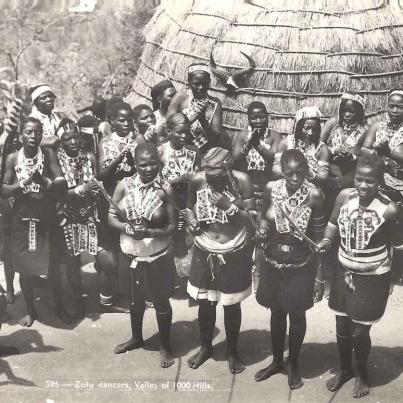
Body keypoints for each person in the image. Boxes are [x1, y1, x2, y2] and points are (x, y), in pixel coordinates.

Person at [318, 154, 402, 399]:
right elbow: (333, 223)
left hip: (373, 276)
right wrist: (326, 240)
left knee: (359, 331)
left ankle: (362, 374)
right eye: (359, 179)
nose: (364, 186)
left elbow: (398, 247)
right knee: (342, 325)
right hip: (344, 271)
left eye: (370, 182)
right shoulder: (344, 197)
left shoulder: (389, 208)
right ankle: (345, 370)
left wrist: (393, 279)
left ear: (381, 182)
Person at [254, 149, 326, 389]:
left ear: (306, 170)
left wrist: (319, 277)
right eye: (289, 174)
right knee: (276, 311)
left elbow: (318, 239)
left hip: (301, 264)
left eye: (299, 173)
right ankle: (276, 361)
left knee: (296, 314)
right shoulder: (271, 189)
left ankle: (293, 364)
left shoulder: (315, 194)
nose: (295, 178)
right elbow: (265, 216)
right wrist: (264, 229)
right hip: (273, 260)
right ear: (282, 172)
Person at [184, 147, 256, 374]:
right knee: (205, 303)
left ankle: (232, 351)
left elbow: (252, 221)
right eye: (209, 175)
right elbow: (187, 209)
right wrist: (192, 221)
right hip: (205, 245)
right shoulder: (198, 180)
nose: (212, 179)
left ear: (227, 169)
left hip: (233, 247)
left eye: (217, 175)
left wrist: (229, 207)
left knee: (231, 304)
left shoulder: (242, 181)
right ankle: (206, 346)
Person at [109, 143, 177, 368]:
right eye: (143, 164)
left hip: (157, 255)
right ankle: (137, 338)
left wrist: (150, 232)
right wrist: (127, 229)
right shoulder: (124, 186)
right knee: (133, 300)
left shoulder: (166, 189)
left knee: (160, 301)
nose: (148, 169)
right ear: (134, 164)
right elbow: (111, 217)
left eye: (153, 164)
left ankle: (166, 346)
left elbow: (173, 227)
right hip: (130, 253)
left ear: (159, 163)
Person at [1, 117, 69, 326]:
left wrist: (47, 182)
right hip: (22, 219)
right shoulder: (13, 158)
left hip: (46, 216)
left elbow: (61, 181)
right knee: (25, 268)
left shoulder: (48, 154)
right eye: (29, 132)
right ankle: (30, 310)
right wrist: (26, 182)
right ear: (21, 134)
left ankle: (59, 307)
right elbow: (3, 190)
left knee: (53, 265)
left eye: (38, 132)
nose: (33, 136)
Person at [97, 101, 144, 312]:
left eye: (129, 120)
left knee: (132, 251)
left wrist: (135, 156)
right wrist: (119, 156)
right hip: (110, 204)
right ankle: (106, 300)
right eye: (121, 120)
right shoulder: (105, 142)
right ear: (111, 121)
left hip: (133, 203)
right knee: (111, 255)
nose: (126, 124)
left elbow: (146, 170)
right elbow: (101, 175)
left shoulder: (138, 140)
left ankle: (131, 295)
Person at [55, 119, 100, 318]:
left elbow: (96, 183)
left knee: (99, 254)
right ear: (61, 142)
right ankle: (79, 301)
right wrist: (82, 189)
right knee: (72, 261)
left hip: (90, 212)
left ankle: (107, 295)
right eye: (67, 139)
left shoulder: (89, 156)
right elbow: (58, 193)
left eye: (75, 137)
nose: (73, 141)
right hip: (67, 215)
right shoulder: (56, 161)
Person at [158, 112, 201, 258]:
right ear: (169, 132)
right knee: (169, 243)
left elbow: (198, 178)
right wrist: (178, 180)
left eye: (187, 133)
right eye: (180, 132)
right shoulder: (160, 151)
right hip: (167, 205)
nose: (184, 136)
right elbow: (156, 181)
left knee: (186, 244)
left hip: (188, 202)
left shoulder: (194, 151)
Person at [167, 63, 226, 155]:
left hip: (205, 150)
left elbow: (216, 134)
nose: (201, 87)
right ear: (189, 82)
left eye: (204, 84)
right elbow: (168, 127)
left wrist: (202, 118)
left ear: (209, 83)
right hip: (179, 148)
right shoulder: (180, 98)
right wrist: (193, 117)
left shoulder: (214, 103)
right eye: (196, 84)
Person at [321, 93, 368, 205]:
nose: (347, 114)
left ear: (359, 112)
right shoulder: (332, 124)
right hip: (326, 175)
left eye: (352, 111)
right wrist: (334, 151)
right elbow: (317, 146)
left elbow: (367, 158)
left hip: (350, 179)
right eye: (344, 110)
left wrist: (352, 157)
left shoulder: (365, 130)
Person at [232, 101, 281, 207]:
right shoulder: (242, 136)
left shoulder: (275, 136)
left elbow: (273, 159)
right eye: (254, 118)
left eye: (262, 117)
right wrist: (248, 145)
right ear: (249, 119)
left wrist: (258, 146)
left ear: (267, 117)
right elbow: (235, 159)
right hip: (246, 192)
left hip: (267, 190)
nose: (258, 121)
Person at [285, 106, 330, 189]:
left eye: (315, 129)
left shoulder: (322, 149)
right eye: (306, 128)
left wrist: (307, 170)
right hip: (287, 184)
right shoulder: (287, 143)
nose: (310, 133)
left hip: (310, 188)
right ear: (299, 127)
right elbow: (275, 172)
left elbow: (322, 179)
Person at [29, 84, 67, 149]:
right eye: (43, 98)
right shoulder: (32, 120)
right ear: (36, 103)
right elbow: (37, 141)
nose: (49, 99)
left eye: (51, 96)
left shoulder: (60, 116)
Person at [151, 80, 177, 144]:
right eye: (171, 96)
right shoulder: (153, 120)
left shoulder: (181, 111)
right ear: (160, 99)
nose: (175, 98)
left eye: (176, 94)